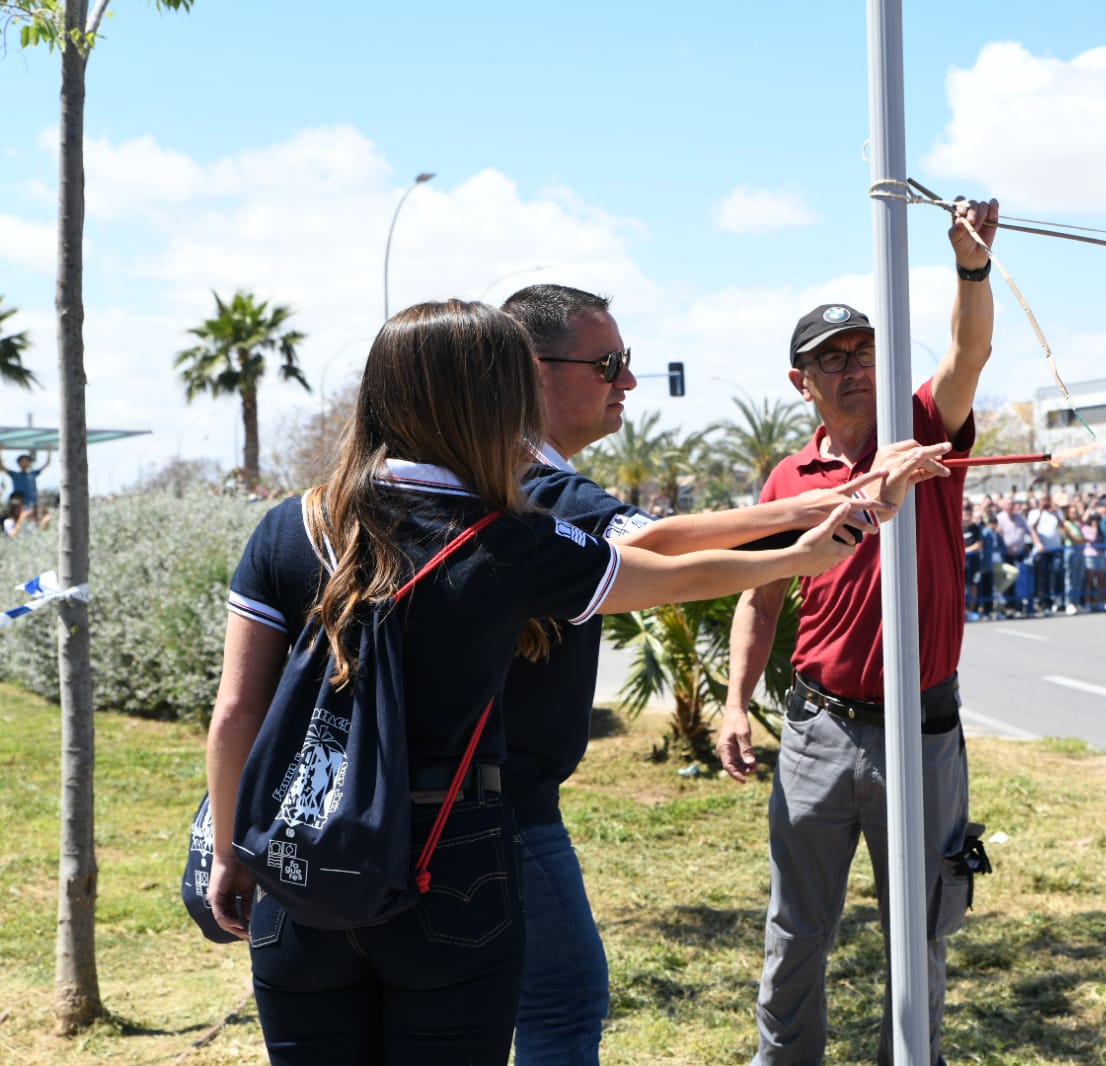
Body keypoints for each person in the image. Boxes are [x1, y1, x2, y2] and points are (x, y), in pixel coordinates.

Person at [204, 299, 871, 1065]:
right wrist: (801, 556)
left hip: (296, 864)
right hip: (449, 861)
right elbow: (667, 572)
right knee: (554, 1008)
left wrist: (228, 853)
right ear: (492, 398)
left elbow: (236, 713)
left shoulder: (292, 525)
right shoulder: (508, 542)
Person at [495, 283, 940, 1064]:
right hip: (499, 804)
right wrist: (838, 514)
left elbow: (657, 547)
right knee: (561, 1007)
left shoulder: (487, 478)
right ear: (536, 373)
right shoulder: (536, 485)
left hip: (460, 801)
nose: (629, 381)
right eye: (609, 364)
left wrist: (825, 512)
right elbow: (663, 553)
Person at [716, 196, 1001, 1066]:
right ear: (799, 381)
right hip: (817, 729)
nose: (853, 368)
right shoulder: (787, 478)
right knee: (796, 928)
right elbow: (759, 598)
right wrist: (734, 703)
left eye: (865, 351)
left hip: (922, 731)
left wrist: (971, 266)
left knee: (920, 930)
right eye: (831, 359)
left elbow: (968, 353)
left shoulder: (923, 430)